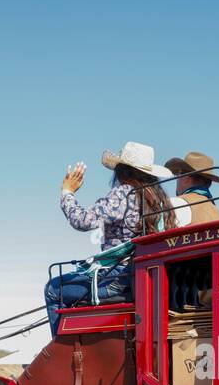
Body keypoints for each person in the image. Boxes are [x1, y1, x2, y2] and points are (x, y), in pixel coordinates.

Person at [45, 141, 176, 334]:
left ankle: (58, 350)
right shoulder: (158, 199)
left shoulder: (125, 193)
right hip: (145, 276)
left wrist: (67, 192)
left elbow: (82, 220)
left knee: (53, 288)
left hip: (119, 278)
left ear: (122, 171)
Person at [164, 152, 219, 227]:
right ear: (209, 183)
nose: (176, 179)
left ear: (186, 177)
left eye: (178, 174)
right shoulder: (218, 213)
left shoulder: (175, 203)